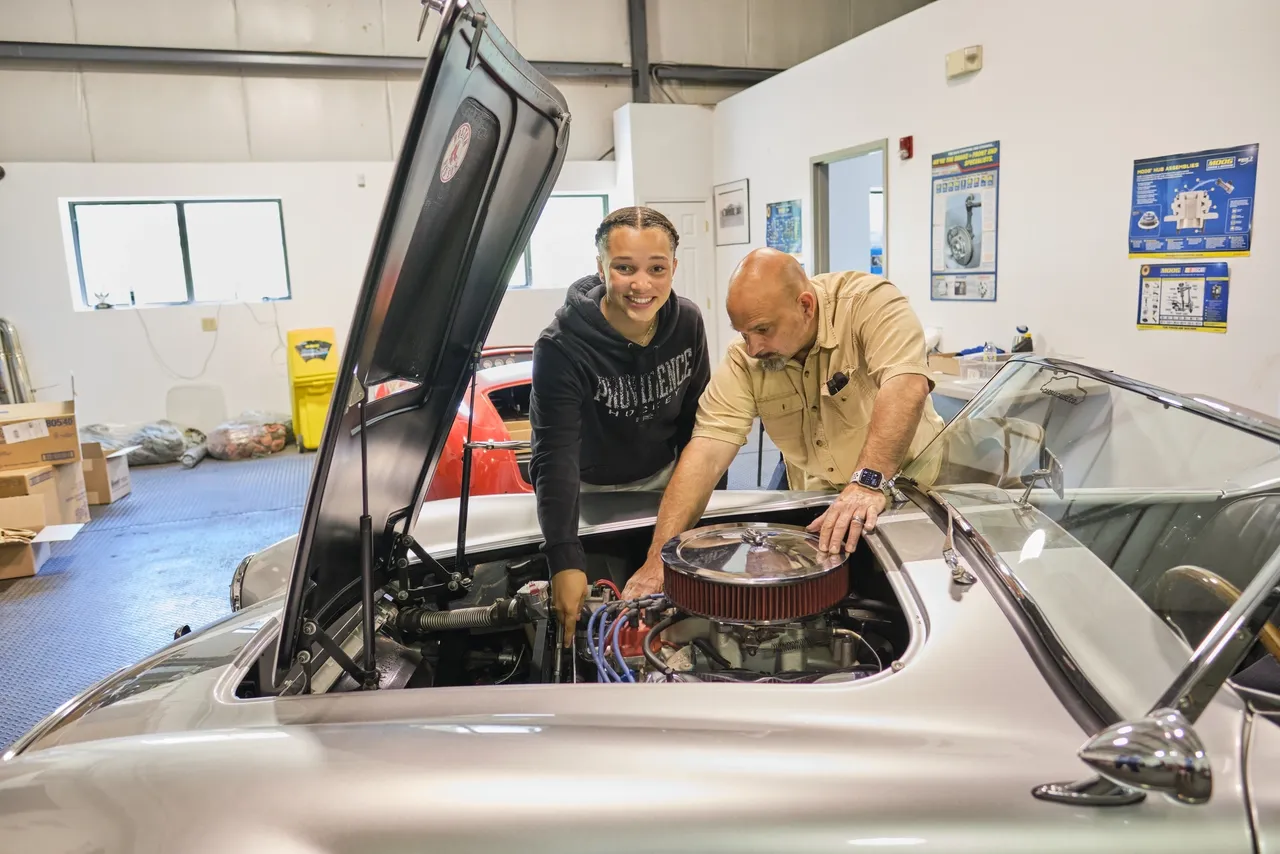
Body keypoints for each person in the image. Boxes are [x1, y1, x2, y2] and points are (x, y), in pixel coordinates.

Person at [621, 247, 945, 599]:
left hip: (911, 492)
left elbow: (906, 387)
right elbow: (707, 449)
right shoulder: (745, 358)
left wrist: (867, 484)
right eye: (743, 333)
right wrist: (657, 561)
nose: (754, 347)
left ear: (805, 306)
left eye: (763, 329)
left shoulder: (869, 304)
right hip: (823, 500)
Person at [528, 205, 711, 645]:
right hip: (591, 500)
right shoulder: (560, 347)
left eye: (657, 269)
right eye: (624, 268)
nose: (641, 284)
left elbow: (697, 426)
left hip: (666, 488)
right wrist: (564, 559)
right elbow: (556, 458)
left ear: (673, 269)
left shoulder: (687, 322)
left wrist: (702, 513)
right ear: (600, 267)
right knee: (604, 625)